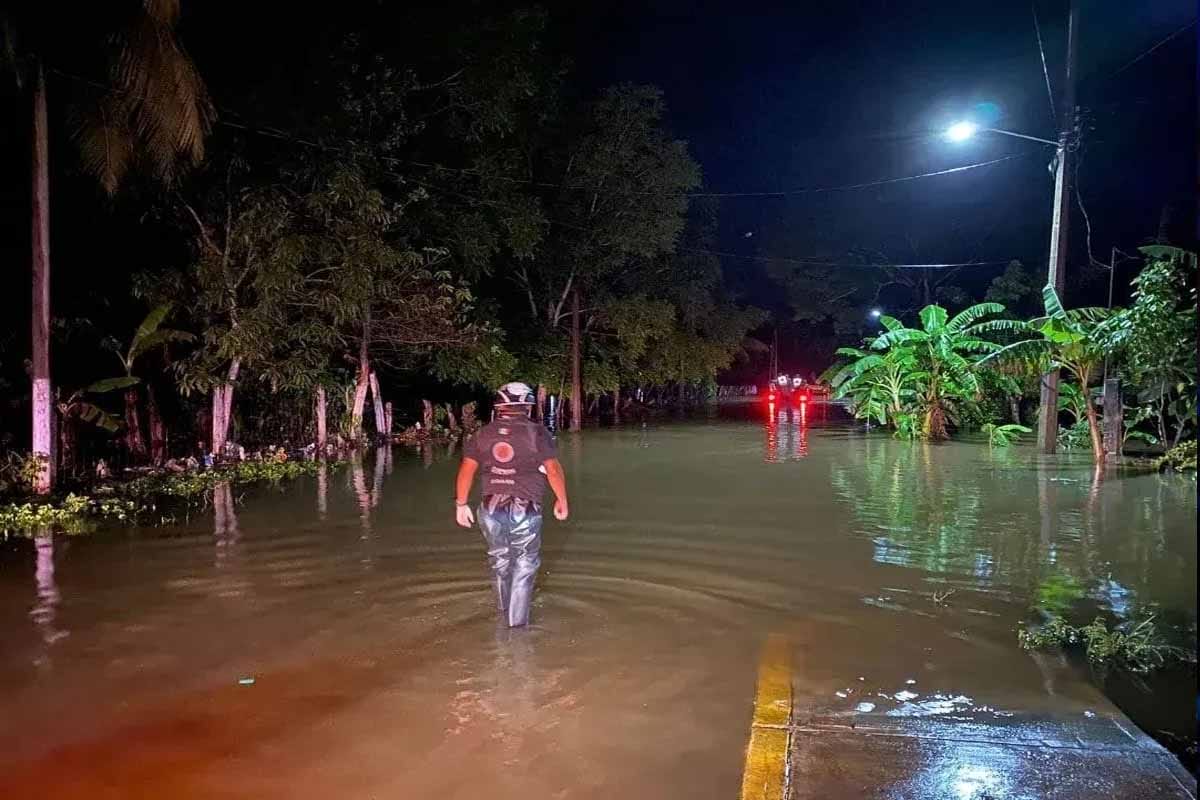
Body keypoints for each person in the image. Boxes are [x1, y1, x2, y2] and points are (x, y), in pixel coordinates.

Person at [454, 381, 569, 627]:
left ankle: (502, 612)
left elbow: (466, 469)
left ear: (499, 405)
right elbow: (553, 469)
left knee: (500, 559)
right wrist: (562, 499)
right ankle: (517, 629)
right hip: (525, 508)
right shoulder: (537, 433)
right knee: (525, 563)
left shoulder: (482, 434)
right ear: (527, 406)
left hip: (490, 507)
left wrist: (461, 504)